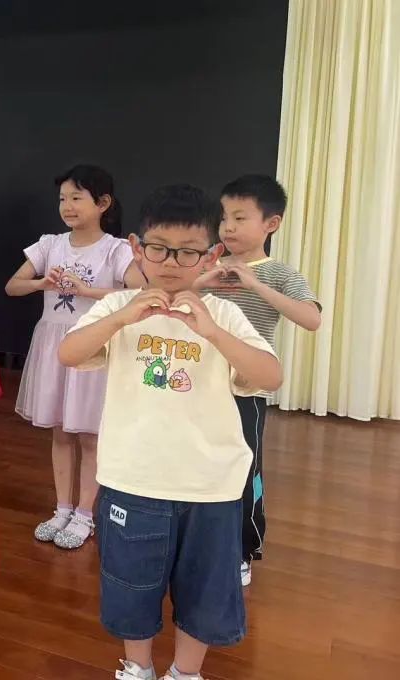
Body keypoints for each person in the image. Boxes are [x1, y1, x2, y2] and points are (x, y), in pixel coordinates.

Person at [58, 184, 282, 680]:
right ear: (137, 248)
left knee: (205, 590)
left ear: (212, 256)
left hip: (211, 487)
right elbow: (69, 353)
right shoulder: (119, 307)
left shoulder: (223, 313)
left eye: (188, 252)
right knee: (130, 585)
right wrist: (122, 317)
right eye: (159, 248)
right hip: (132, 479)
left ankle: (185, 672)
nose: (172, 263)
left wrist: (212, 333)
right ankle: (137, 667)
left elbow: (270, 376)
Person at [5, 165, 145, 550]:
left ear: (103, 203)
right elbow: (12, 286)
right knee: (61, 432)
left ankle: (85, 514)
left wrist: (88, 290)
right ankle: (62, 508)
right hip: (52, 344)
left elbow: (139, 293)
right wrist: (41, 282)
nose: (67, 205)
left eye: (76, 198)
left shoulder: (115, 249)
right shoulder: (49, 244)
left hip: (92, 347)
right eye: (62, 198)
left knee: (90, 435)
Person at [195, 174, 321, 586]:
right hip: (197, 383)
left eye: (240, 217)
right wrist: (200, 280)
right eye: (224, 217)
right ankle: (200, 543)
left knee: (244, 470)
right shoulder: (207, 263)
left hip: (246, 388)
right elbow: (176, 298)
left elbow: (311, 318)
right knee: (199, 464)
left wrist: (254, 284)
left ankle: (242, 551)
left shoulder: (280, 273)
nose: (227, 227)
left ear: (271, 223)